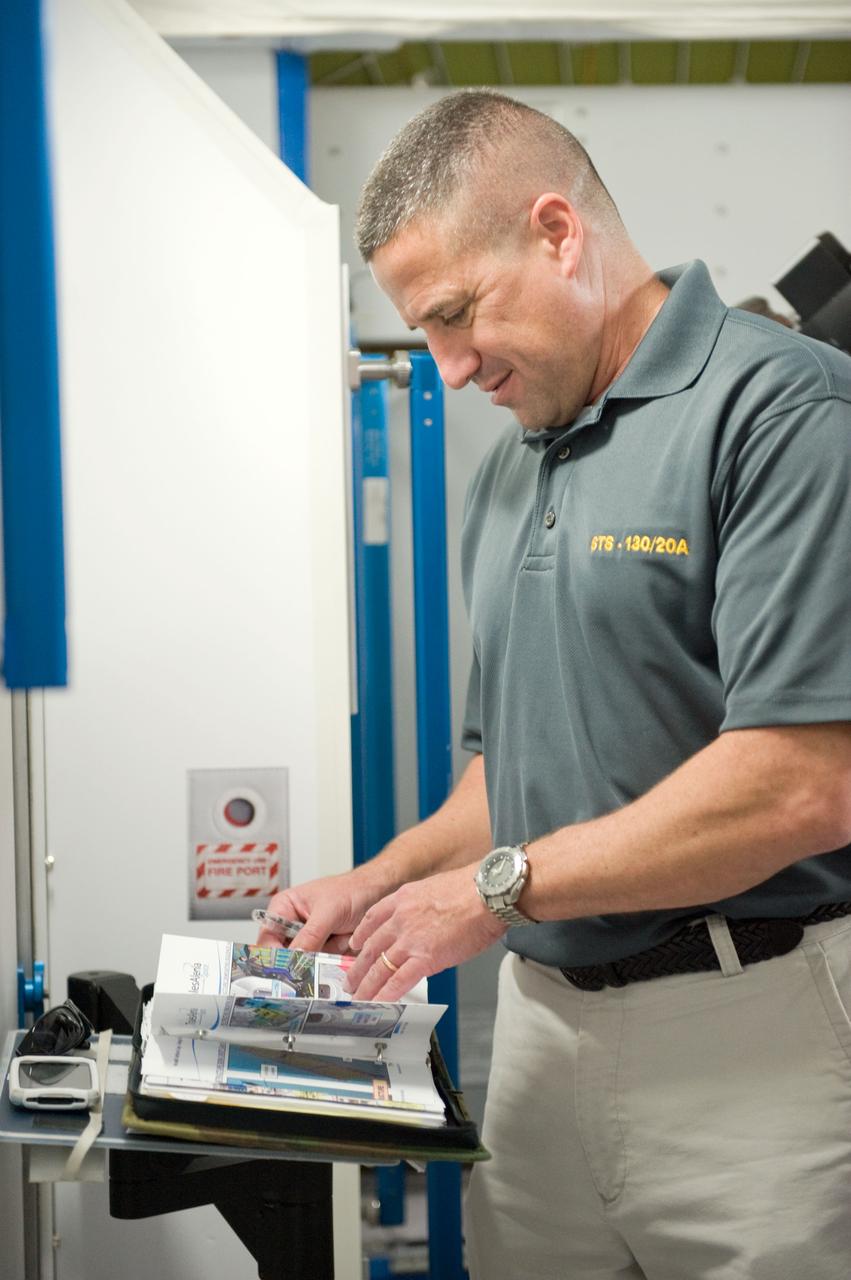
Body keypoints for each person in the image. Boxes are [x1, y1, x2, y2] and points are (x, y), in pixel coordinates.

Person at [260, 90, 851, 1279]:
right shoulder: (518, 462)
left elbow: (801, 784)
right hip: (539, 1034)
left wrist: (492, 891)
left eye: (455, 314)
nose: (450, 365)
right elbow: (506, 774)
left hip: (753, 1041)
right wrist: (378, 885)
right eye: (422, 332)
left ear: (556, 232)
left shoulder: (782, 410)